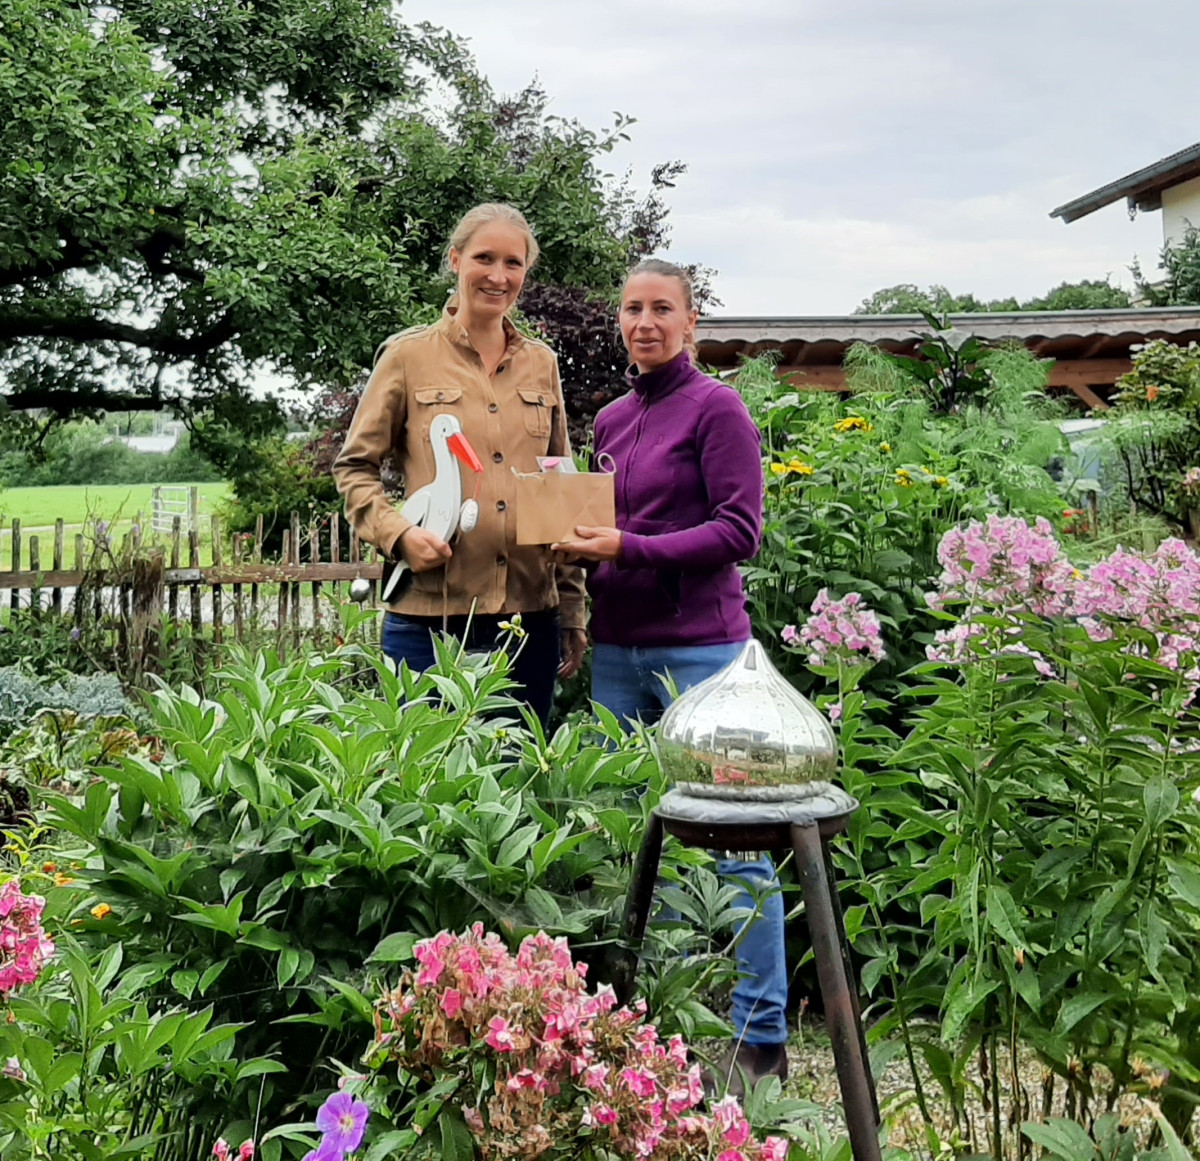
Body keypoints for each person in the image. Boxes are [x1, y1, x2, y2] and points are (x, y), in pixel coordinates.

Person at [553, 258, 787, 1098]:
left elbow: (740, 530)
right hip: (618, 649)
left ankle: (762, 1036)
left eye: (662, 309)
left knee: (738, 845)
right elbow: (605, 522)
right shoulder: (613, 417)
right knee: (628, 835)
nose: (644, 322)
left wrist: (630, 550)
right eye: (631, 309)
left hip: (702, 650)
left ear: (692, 323)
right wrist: (576, 541)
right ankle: (650, 1021)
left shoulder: (717, 408)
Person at [333, 203, 587, 729]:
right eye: (484, 258)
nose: (498, 276)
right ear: (455, 260)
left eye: (513, 263)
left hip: (527, 619)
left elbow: (558, 486)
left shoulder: (542, 364)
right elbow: (355, 467)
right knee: (428, 785)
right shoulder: (407, 357)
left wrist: (571, 610)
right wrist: (399, 534)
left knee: (517, 786)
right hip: (430, 620)